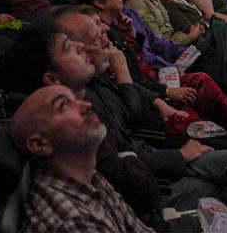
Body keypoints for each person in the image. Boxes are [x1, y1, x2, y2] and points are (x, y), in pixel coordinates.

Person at [2, 20, 227, 222]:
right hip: (148, 185)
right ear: (52, 79)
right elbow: (132, 176)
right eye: (70, 48)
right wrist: (178, 157)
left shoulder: (86, 92)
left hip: (144, 167)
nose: (83, 48)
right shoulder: (75, 121)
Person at [59, 5, 227, 156]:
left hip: (157, 86)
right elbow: (133, 112)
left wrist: (131, 35)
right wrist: (161, 95)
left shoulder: (118, 32)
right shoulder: (96, 73)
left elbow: (143, 64)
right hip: (152, 122)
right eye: (97, 25)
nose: (104, 29)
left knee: (206, 74)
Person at [9, 84, 153, 233]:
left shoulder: (89, 178)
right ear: (40, 144)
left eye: (77, 99)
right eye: (63, 106)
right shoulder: (70, 222)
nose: (86, 105)